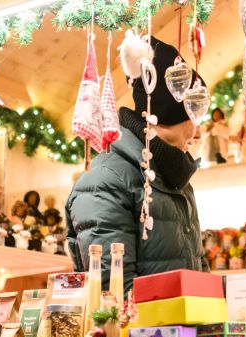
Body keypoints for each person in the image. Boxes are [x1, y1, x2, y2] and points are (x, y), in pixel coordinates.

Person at [65, 36, 207, 293]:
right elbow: (113, 292)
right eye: (194, 114)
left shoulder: (176, 178)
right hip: (145, 322)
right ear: (168, 115)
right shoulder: (105, 182)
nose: (196, 131)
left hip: (184, 320)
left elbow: (198, 270)